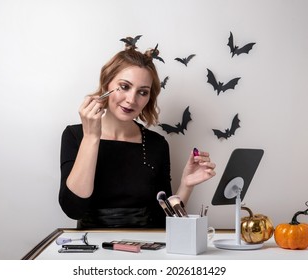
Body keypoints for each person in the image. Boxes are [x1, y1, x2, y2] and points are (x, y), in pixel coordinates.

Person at [59, 41, 216, 229]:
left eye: (142, 92)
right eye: (124, 86)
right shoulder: (74, 135)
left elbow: (164, 219)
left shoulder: (156, 144)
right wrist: (92, 136)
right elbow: (73, 209)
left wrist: (186, 185)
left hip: (145, 249)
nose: (132, 100)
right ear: (106, 84)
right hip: (93, 249)